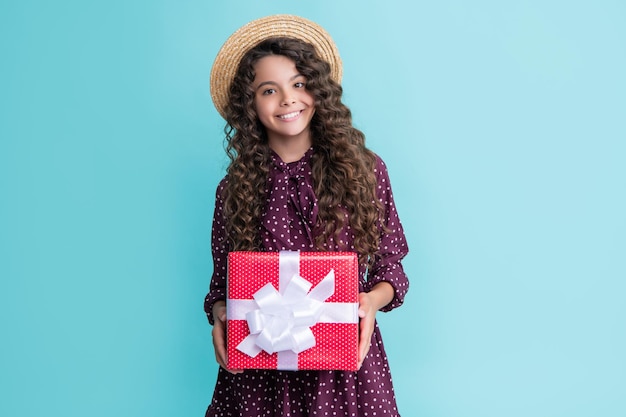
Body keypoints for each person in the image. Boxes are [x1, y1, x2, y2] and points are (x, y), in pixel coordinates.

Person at [204, 15, 409, 417]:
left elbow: (390, 264)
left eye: (298, 84)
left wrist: (370, 301)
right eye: (268, 90)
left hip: (343, 370)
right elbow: (220, 285)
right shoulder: (234, 188)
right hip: (262, 370)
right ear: (250, 104)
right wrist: (221, 314)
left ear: (318, 89)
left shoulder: (365, 171)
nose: (287, 100)